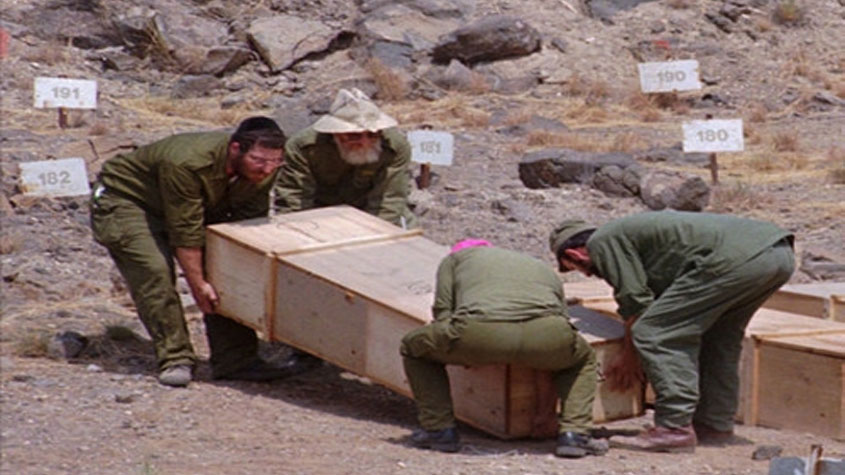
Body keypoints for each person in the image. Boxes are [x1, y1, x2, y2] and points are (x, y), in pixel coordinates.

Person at [549, 210, 795, 452]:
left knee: (655, 331)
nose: (586, 274)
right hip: (777, 254)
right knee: (718, 337)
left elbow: (636, 302)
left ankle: (674, 428)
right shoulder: (631, 238)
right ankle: (714, 424)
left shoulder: (602, 242)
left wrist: (630, 355)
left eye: (575, 268)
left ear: (574, 254)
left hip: (737, 259)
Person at [90, 117, 303, 387]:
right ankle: (175, 357)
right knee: (154, 270)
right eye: (259, 161)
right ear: (235, 148)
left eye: (275, 162)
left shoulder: (263, 168)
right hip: (129, 201)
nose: (267, 169)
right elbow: (185, 232)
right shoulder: (187, 162)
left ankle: (236, 360)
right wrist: (198, 284)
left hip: (190, 205)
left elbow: (247, 222)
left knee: (229, 264)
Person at [399, 239, 608, 457]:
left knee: (414, 349)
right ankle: (575, 435)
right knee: (582, 360)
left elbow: (443, 313)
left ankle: (439, 431)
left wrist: (462, 351)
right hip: (546, 334)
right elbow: (562, 314)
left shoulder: (453, 260)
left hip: (481, 330)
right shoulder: (537, 265)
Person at [273, 88, 418, 229]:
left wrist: (373, 233)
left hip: (375, 213)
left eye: (372, 134)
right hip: (321, 213)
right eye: (354, 136)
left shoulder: (395, 146)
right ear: (335, 133)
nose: (365, 142)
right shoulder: (304, 147)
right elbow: (295, 199)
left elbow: (389, 199)